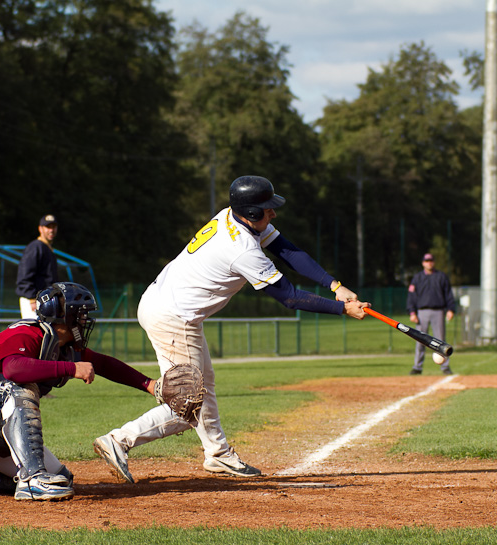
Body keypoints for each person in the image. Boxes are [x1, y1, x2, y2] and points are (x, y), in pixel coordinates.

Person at [93, 175, 370, 484]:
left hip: (168, 306)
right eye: (267, 209)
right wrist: (342, 308)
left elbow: (288, 250)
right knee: (188, 401)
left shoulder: (231, 216)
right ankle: (119, 441)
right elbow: (289, 297)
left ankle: (218, 453)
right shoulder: (242, 248)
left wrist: (335, 285)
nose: (273, 213)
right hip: (173, 316)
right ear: (251, 213)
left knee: (204, 386)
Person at [0, 282, 158, 501]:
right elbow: (13, 369)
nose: (85, 321)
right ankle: (32, 480)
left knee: (61, 477)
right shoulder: (27, 333)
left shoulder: (60, 345)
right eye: (81, 314)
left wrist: (150, 385)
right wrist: (71, 369)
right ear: (66, 316)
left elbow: (104, 364)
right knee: (17, 388)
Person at [406, 253, 456, 375]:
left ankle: (445, 367)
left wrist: (451, 309)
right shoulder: (417, 278)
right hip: (421, 312)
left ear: (434, 262)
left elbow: (448, 294)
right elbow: (411, 297)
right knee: (420, 340)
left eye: (431, 260)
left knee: (441, 341)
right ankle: (417, 367)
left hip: (438, 311)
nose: (429, 262)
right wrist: (412, 312)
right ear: (423, 263)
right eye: (427, 260)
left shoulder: (441, 276)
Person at [15, 214, 59, 318]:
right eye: (48, 227)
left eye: (54, 227)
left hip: (45, 300)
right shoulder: (35, 247)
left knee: (47, 333)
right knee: (35, 333)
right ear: (40, 229)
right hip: (34, 301)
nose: (51, 230)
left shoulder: (48, 248)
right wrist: (31, 299)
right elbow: (24, 276)